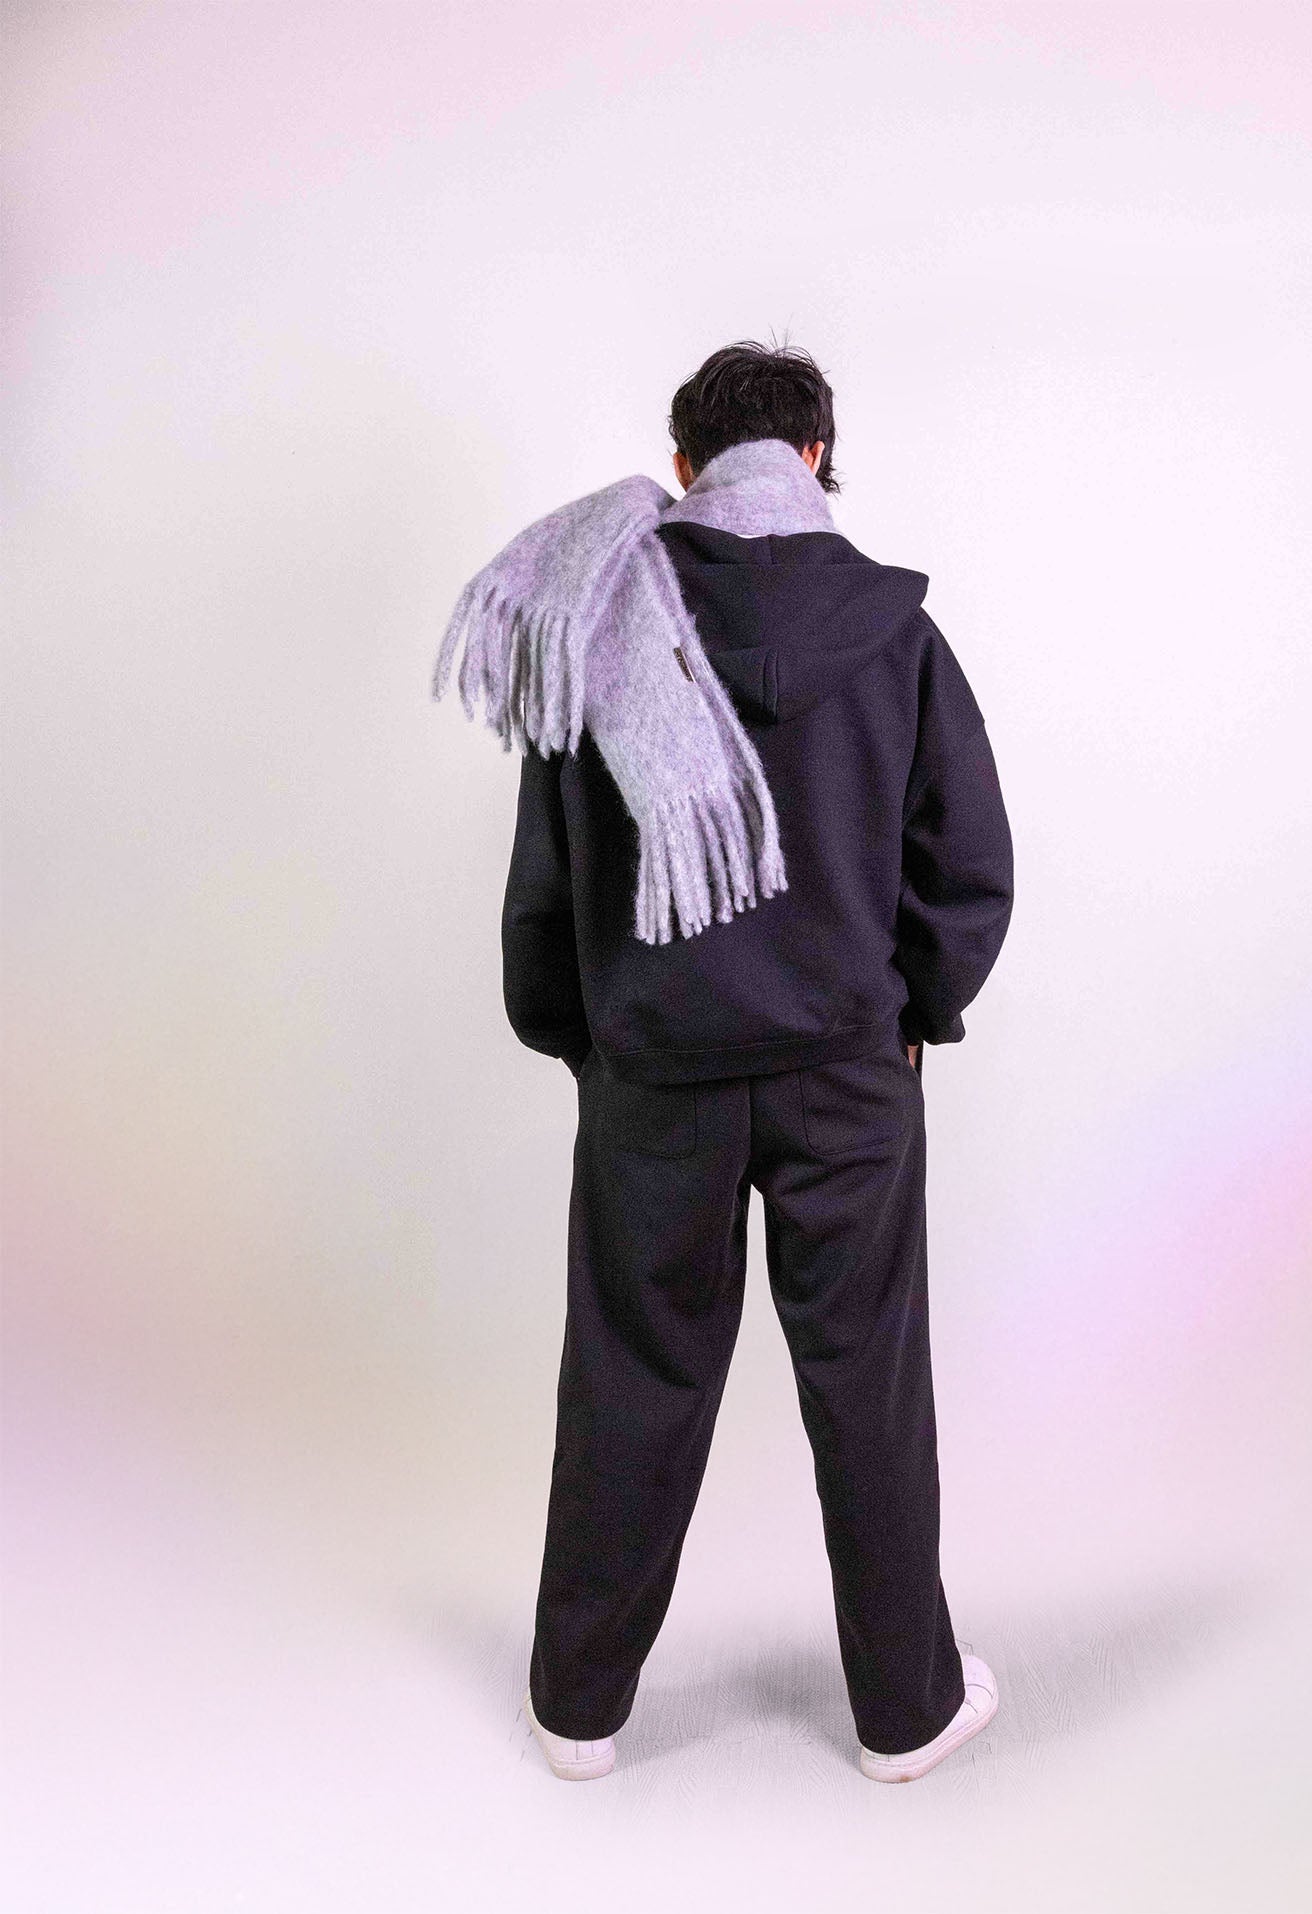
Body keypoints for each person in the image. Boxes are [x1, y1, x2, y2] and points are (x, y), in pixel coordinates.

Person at [454, 341, 1013, 1782]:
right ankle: (905, 1714)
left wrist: (589, 1040)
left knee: (630, 1377)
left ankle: (578, 1710)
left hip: (657, 1077)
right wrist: (917, 1011)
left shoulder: (603, 616)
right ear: (817, 454)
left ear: (684, 464)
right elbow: (967, 863)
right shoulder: (897, 635)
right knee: (867, 1385)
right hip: (847, 1073)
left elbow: (546, 880)